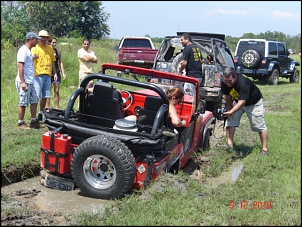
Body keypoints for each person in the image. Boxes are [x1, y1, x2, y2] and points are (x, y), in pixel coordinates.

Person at [221, 67, 268, 156]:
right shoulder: (225, 82)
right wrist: (231, 110)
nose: (227, 84)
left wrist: (231, 112)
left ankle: (264, 150)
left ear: (235, 77)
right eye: (225, 81)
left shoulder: (243, 83)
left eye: (229, 81)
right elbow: (227, 96)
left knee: (259, 125)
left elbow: (242, 103)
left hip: (253, 103)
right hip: (238, 101)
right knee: (230, 121)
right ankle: (229, 144)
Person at [15, 32, 42, 129]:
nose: (37, 41)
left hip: (30, 81)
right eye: (36, 39)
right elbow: (20, 66)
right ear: (31, 39)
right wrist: (23, 82)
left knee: (34, 100)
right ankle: (20, 123)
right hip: (24, 81)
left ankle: (34, 121)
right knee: (23, 102)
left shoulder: (28, 50)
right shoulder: (23, 50)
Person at [31, 30, 58, 121]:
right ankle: (33, 117)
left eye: (45, 37)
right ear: (39, 38)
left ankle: (41, 112)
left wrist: (55, 73)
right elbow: (29, 60)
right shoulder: (35, 48)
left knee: (45, 96)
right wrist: (33, 57)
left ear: (47, 38)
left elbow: (52, 61)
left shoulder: (50, 48)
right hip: (38, 75)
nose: (43, 39)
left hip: (48, 74)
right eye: (41, 37)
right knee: (36, 96)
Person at [46, 37, 66, 109]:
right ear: (49, 43)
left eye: (55, 42)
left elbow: (60, 62)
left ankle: (56, 108)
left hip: (56, 72)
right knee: (48, 91)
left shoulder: (58, 51)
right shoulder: (47, 51)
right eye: (52, 42)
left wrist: (63, 73)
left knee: (56, 91)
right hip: (48, 72)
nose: (54, 44)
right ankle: (47, 108)